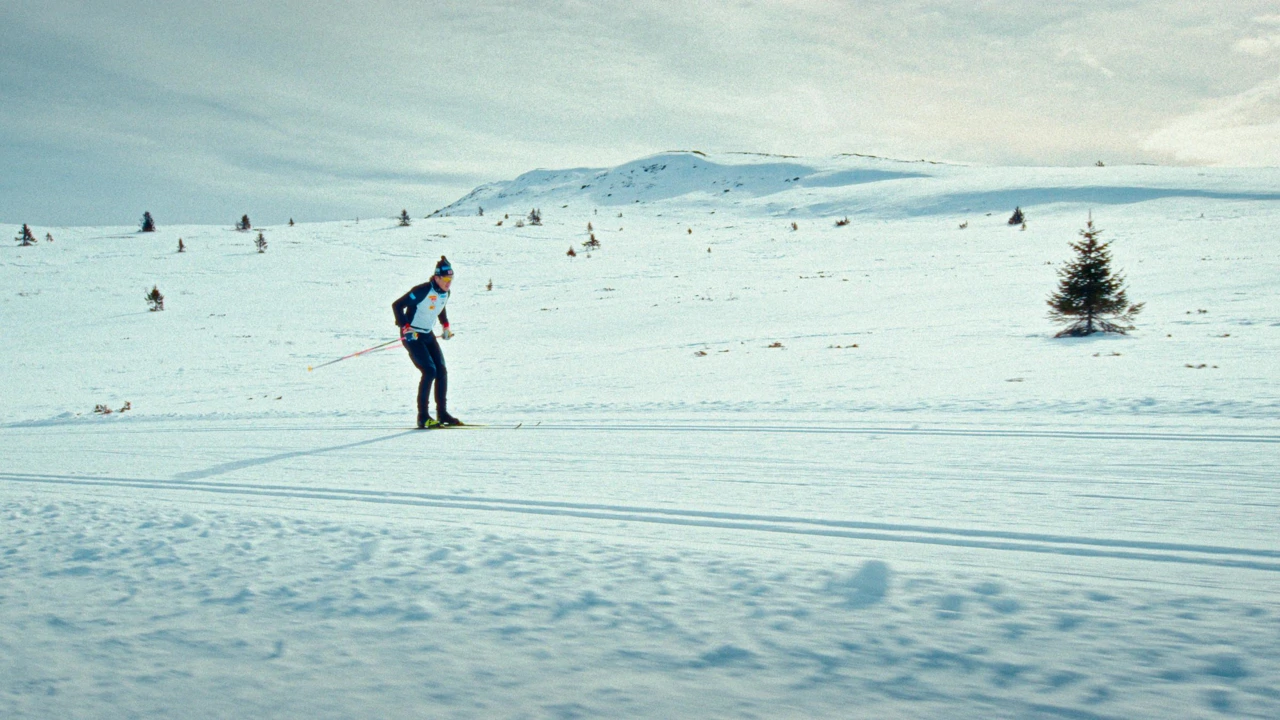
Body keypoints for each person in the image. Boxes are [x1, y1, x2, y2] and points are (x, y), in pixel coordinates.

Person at [392, 256, 462, 428]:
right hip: (412, 335)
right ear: (437, 278)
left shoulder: (445, 293)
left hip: (427, 334)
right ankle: (423, 416)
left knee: (441, 370)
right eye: (446, 279)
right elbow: (397, 305)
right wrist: (405, 327)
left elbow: (439, 307)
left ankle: (442, 413)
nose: (449, 283)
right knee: (429, 370)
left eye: (451, 279)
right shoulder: (423, 290)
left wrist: (445, 326)